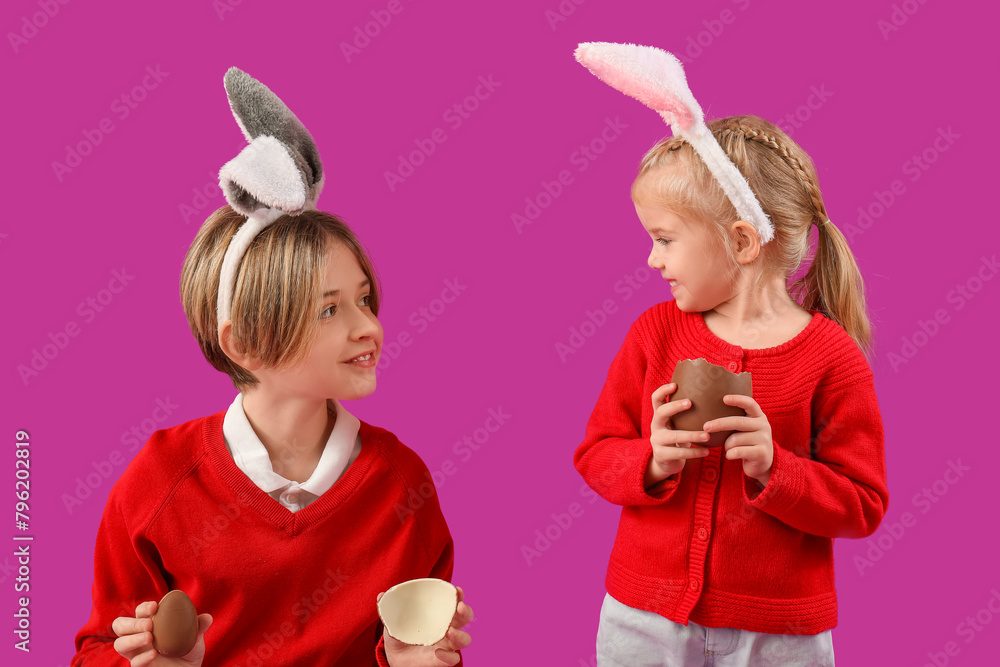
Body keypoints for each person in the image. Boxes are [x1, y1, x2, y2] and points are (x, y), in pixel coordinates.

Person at [73, 66, 472, 667]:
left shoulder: (402, 484)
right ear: (245, 345)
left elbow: (420, 646)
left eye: (364, 298)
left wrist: (415, 659)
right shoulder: (159, 482)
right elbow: (96, 650)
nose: (368, 326)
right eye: (329, 309)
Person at [574, 112, 888, 667]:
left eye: (665, 238)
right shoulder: (654, 332)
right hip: (644, 617)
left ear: (742, 242)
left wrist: (777, 468)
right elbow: (596, 453)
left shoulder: (832, 359)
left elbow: (862, 505)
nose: (653, 259)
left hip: (779, 635)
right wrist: (652, 462)